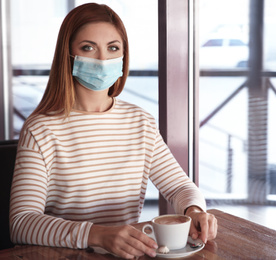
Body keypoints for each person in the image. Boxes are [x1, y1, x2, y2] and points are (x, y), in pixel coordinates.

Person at [9, 3, 217, 259]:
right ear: (68, 54)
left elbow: (179, 187)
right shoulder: (40, 129)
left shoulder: (141, 122)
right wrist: (97, 234)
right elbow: (21, 223)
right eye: (88, 47)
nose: (102, 59)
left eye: (113, 48)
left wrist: (194, 210)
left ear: (123, 56)